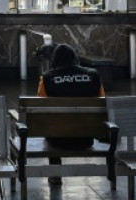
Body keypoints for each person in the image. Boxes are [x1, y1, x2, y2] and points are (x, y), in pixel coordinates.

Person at [35, 43, 106, 185]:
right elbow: (103, 104)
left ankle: (55, 173)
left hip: (57, 140)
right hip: (86, 138)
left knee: (52, 123)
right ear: (76, 59)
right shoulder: (93, 75)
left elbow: (40, 110)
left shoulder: (47, 78)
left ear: (54, 62)